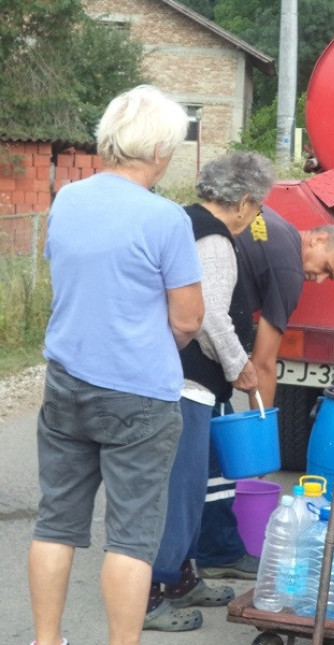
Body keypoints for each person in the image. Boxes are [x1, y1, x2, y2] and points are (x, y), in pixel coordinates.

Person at [28, 85, 204, 645]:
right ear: (157, 148)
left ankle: (46, 639)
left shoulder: (67, 199)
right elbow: (188, 320)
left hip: (65, 382)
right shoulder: (167, 219)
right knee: (130, 539)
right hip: (139, 396)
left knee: (56, 522)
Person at [143, 151, 276, 631]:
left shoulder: (183, 220)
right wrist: (241, 367)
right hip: (187, 381)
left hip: (174, 374)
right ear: (242, 202)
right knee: (179, 490)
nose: (255, 216)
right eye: (257, 207)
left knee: (189, 485)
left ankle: (181, 575)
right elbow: (209, 316)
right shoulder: (216, 239)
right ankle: (153, 591)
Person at [195, 210, 334, 579]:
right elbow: (265, 364)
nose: (320, 280)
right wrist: (261, 445)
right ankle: (215, 553)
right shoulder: (289, 270)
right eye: (327, 268)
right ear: (316, 239)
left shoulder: (275, 223)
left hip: (184, 324)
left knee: (201, 450)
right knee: (212, 460)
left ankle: (207, 549)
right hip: (196, 347)